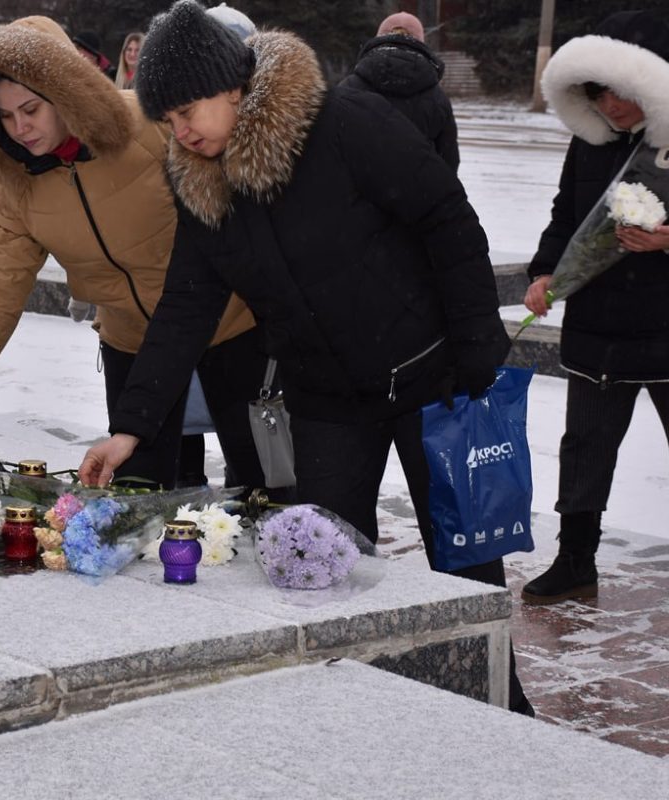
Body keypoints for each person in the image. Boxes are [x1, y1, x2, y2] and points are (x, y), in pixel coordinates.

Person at [79, 0, 533, 714]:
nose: (181, 131)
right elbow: (186, 305)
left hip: (430, 379)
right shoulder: (201, 181)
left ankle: (500, 705)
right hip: (325, 401)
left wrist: (478, 344)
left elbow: (445, 215)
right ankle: (359, 710)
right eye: (166, 120)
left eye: (189, 109)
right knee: (324, 567)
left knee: (464, 567)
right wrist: (132, 426)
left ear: (234, 86)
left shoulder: (344, 122)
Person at [0, 15, 265, 493]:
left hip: (231, 327)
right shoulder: (16, 187)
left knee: (266, 486)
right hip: (132, 344)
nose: (20, 128)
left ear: (63, 90)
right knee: (137, 499)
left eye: (31, 109)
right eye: (4, 116)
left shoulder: (148, 126)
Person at [520, 11, 669, 605]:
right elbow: (566, 215)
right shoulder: (589, 145)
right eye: (595, 93)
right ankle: (575, 559)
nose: (607, 104)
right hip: (598, 327)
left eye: (616, 90)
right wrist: (544, 272)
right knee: (584, 447)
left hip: (663, 327)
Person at [340, 11, 459, 172]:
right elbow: (448, 161)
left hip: (356, 193)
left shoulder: (348, 88)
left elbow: (330, 150)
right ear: (420, 42)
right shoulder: (437, 98)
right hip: (417, 193)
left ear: (377, 39)